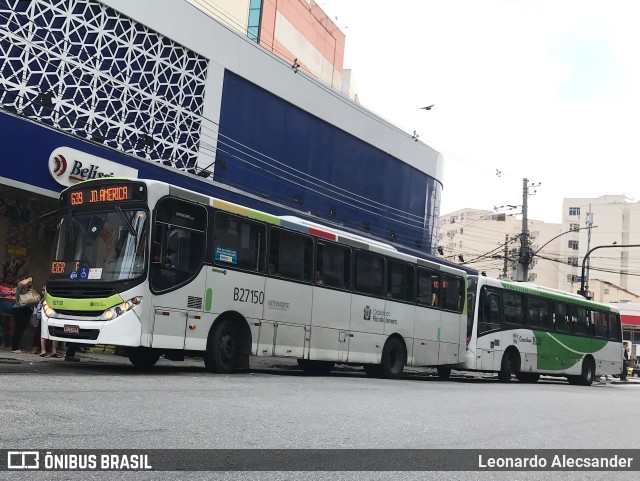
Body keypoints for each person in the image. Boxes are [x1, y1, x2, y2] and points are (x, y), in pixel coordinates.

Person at [10, 275, 38, 354]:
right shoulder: (21, 287)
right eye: (27, 281)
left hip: (27, 310)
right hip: (19, 309)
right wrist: (28, 279)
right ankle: (14, 347)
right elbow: (20, 284)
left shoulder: (30, 290)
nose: (29, 282)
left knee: (22, 329)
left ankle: (17, 346)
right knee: (18, 328)